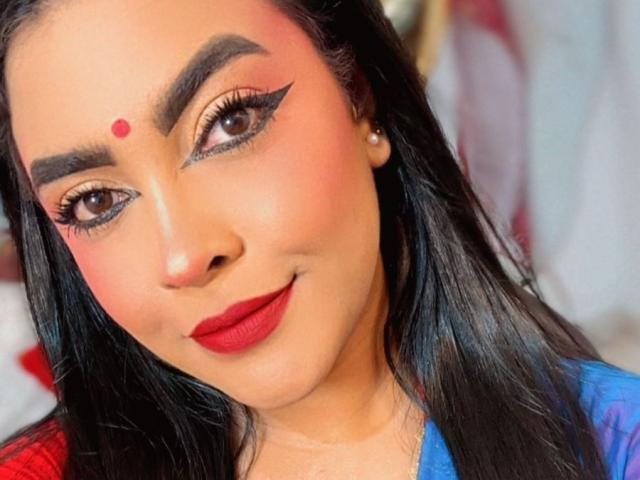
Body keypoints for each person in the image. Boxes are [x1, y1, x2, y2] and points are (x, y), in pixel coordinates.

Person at [0, 1, 637, 479]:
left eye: (230, 122)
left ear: (358, 97)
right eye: (95, 201)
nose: (185, 256)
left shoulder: (614, 451)